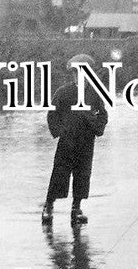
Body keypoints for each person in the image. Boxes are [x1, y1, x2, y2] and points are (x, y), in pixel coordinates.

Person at [42, 54, 108, 226]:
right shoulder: (63, 92)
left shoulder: (95, 93)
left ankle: (76, 208)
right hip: (67, 141)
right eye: (75, 72)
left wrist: (97, 128)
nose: (79, 76)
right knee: (59, 174)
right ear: (72, 74)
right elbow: (52, 114)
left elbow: (103, 115)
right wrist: (59, 131)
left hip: (86, 141)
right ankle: (48, 206)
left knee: (83, 174)